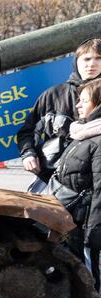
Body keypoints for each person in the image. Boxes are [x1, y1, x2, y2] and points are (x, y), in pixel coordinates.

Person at [18, 38, 101, 184]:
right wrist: (28, 154)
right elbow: (27, 132)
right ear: (76, 62)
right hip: (54, 179)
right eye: (86, 59)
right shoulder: (53, 95)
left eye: (98, 58)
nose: (92, 64)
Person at [49, 79, 101, 286]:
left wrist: (95, 232)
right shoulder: (84, 133)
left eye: (84, 101)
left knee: (91, 274)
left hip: (87, 223)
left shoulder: (97, 140)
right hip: (73, 220)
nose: (78, 105)